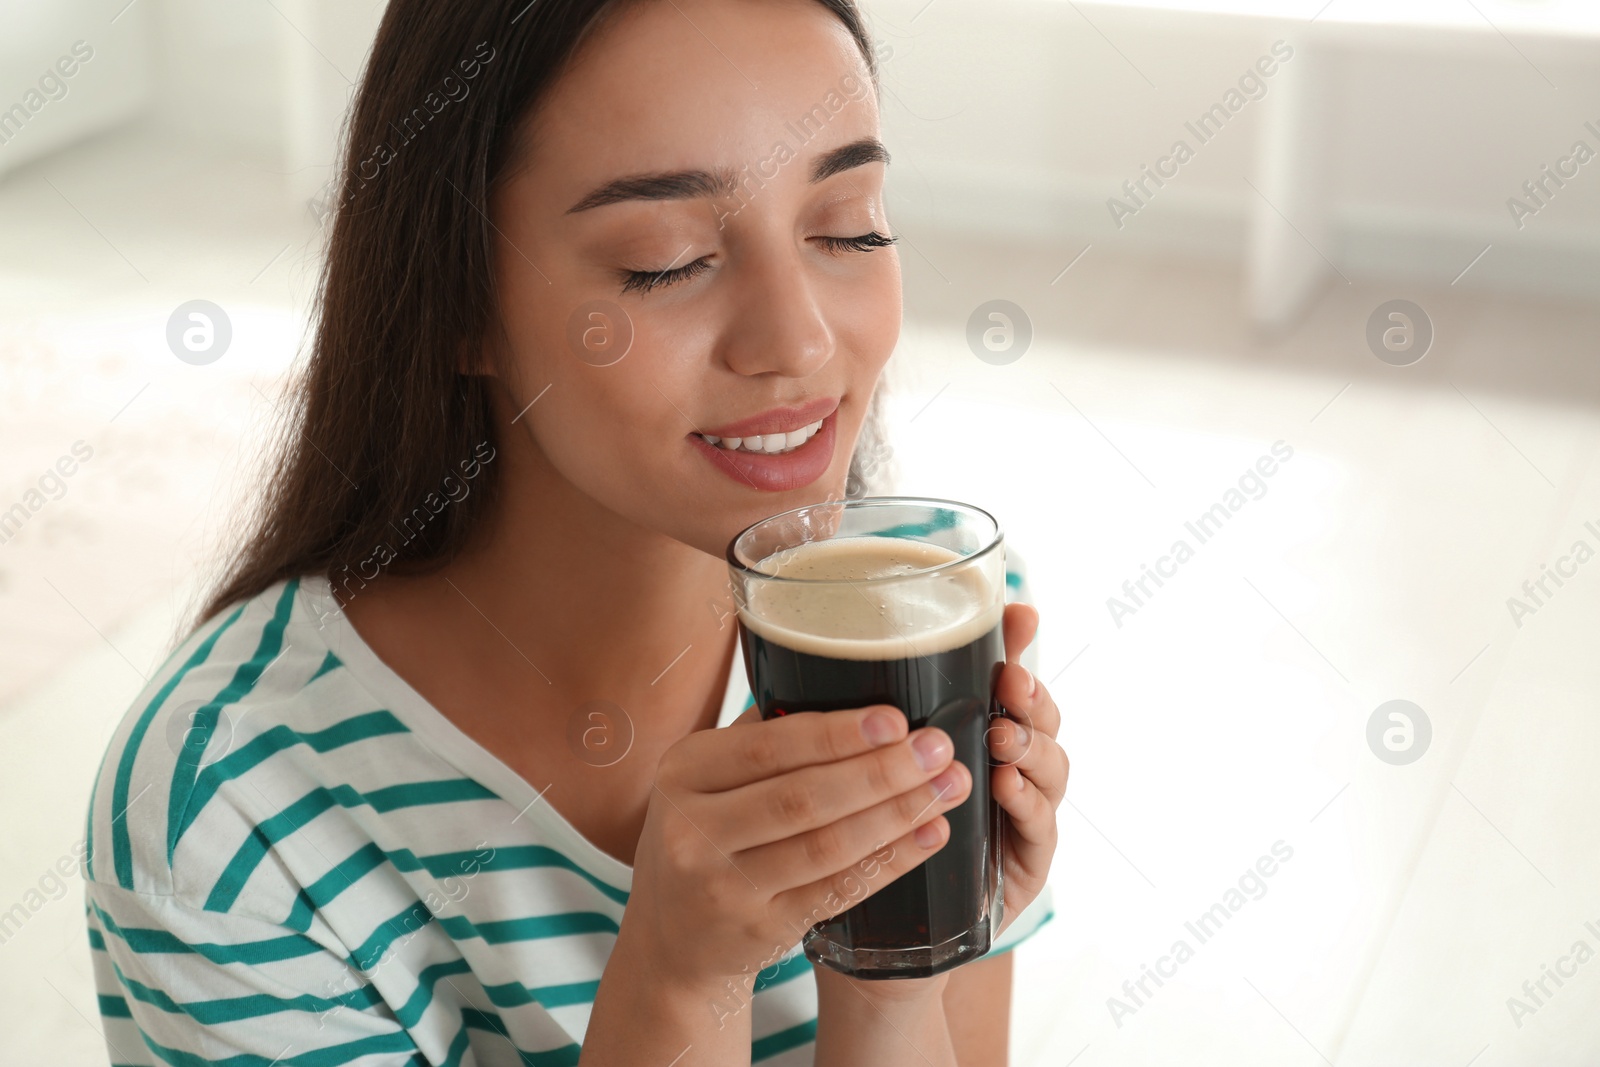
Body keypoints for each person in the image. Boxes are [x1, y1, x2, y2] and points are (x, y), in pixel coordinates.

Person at [81, 0, 1070, 1063]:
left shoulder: (929, 602)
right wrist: (682, 979)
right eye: (666, 258)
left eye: (848, 226)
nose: (797, 339)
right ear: (456, 298)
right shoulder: (226, 811)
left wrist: (894, 953)